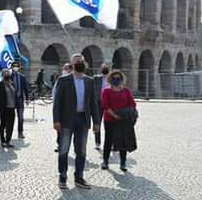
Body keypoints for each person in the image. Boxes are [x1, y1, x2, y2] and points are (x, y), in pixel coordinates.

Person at [53, 53, 100, 190]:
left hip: (82, 120)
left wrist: (96, 122)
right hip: (66, 119)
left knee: (82, 150)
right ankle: (62, 177)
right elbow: (57, 103)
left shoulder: (89, 81)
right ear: (72, 64)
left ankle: (79, 177)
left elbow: (93, 104)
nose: (79, 63)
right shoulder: (63, 80)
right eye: (77, 61)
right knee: (63, 149)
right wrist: (56, 120)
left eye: (81, 61)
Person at [101, 70, 138, 171]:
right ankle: (105, 161)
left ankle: (123, 163)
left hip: (123, 119)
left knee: (123, 141)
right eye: (114, 78)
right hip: (110, 119)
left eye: (118, 78)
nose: (116, 80)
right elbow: (105, 105)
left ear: (121, 80)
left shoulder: (126, 91)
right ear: (110, 79)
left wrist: (132, 113)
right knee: (108, 140)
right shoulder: (106, 91)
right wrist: (114, 115)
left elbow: (132, 103)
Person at [0, 69, 17, 148]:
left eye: (8, 73)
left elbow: (15, 95)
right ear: (3, 75)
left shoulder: (13, 84)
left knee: (11, 125)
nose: (7, 75)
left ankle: (8, 141)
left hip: (12, 107)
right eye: (5, 73)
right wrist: (0, 105)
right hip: (4, 108)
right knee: (3, 124)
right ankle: (2, 140)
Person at [92, 63, 111, 151]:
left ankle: (111, 142)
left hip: (109, 103)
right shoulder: (96, 78)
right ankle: (97, 142)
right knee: (97, 122)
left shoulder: (112, 80)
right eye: (104, 69)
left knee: (110, 124)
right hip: (98, 102)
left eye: (106, 69)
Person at [11, 62, 30, 139]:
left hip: (20, 99)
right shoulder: (9, 76)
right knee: (10, 117)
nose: (15, 68)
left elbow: (26, 88)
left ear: (19, 68)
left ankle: (20, 132)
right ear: (12, 67)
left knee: (21, 117)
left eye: (17, 66)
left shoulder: (22, 77)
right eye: (14, 66)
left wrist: (27, 98)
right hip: (11, 100)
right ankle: (8, 132)